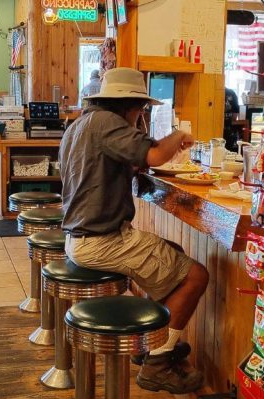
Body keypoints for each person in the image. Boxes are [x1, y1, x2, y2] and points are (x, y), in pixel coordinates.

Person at [59, 67, 208, 394]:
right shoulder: (109, 123)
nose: (140, 115)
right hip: (101, 241)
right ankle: (157, 364)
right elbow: (154, 154)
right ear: (130, 105)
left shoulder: (81, 124)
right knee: (196, 276)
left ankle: (155, 342)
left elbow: (108, 166)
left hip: (79, 238)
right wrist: (178, 137)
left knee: (175, 253)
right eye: (140, 109)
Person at [223, 87, 240, 152]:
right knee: (228, 152)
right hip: (229, 129)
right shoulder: (232, 93)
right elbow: (235, 115)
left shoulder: (214, 91)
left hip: (216, 129)